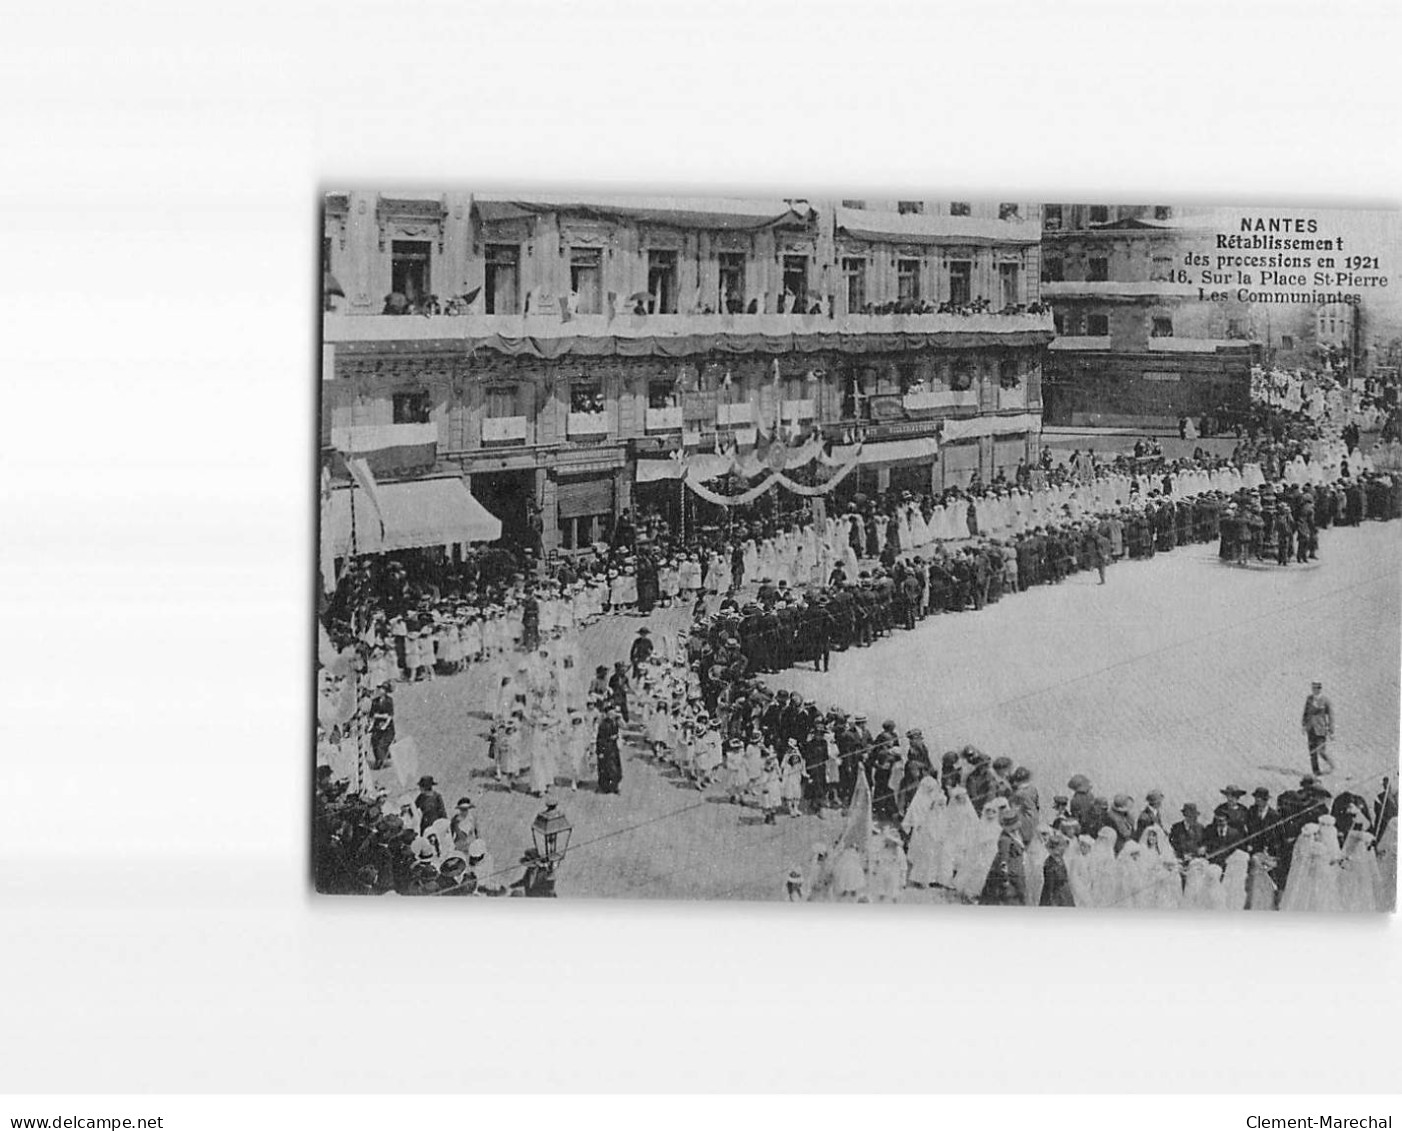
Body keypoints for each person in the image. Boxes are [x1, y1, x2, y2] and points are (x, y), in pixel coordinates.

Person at [1301, 680, 1335, 775]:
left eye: (1317, 688)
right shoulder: (1309, 699)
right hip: (1310, 728)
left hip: (1321, 728)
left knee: (1321, 751)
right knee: (1312, 751)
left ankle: (1331, 764)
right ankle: (1316, 771)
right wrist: (1304, 725)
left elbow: (1330, 715)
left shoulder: (1325, 700)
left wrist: (1331, 730)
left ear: (1320, 689)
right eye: (1313, 688)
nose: (1315, 690)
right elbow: (1305, 712)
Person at [596, 704, 623, 795]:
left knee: (615, 768)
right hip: (605, 747)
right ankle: (605, 787)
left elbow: (624, 727)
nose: (611, 715)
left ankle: (615, 786)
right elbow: (600, 739)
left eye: (613, 713)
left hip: (613, 748)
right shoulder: (603, 724)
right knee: (605, 768)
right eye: (609, 714)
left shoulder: (615, 722)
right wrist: (600, 751)